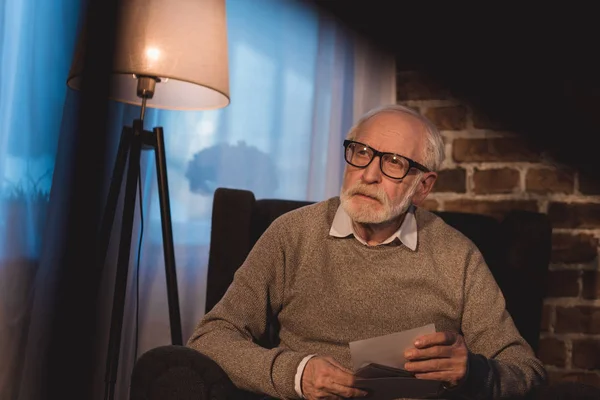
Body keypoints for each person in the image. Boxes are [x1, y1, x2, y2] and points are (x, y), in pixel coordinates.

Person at [187, 104, 547, 400]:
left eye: (392, 162)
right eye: (361, 152)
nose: (368, 174)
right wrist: (295, 373)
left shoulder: (458, 256)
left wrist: (473, 371)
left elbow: (526, 370)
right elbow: (211, 337)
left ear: (422, 187)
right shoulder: (291, 233)